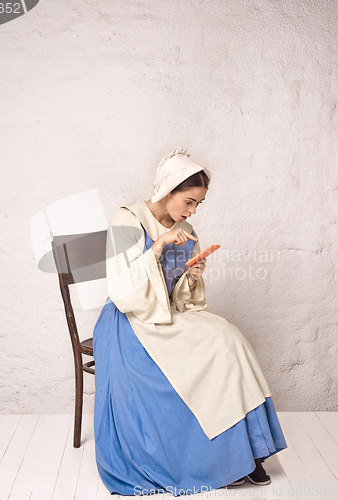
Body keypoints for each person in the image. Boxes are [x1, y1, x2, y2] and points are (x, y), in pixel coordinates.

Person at [92, 147, 287, 496]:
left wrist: (192, 276)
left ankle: (251, 454)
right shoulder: (127, 220)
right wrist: (156, 249)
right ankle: (226, 459)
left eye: (198, 205)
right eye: (189, 202)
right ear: (168, 191)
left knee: (230, 339)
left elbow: (179, 297)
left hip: (167, 315)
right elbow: (122, 291)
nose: (192, 211)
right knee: (215, 346)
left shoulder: (187, 228)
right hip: (130, 323)